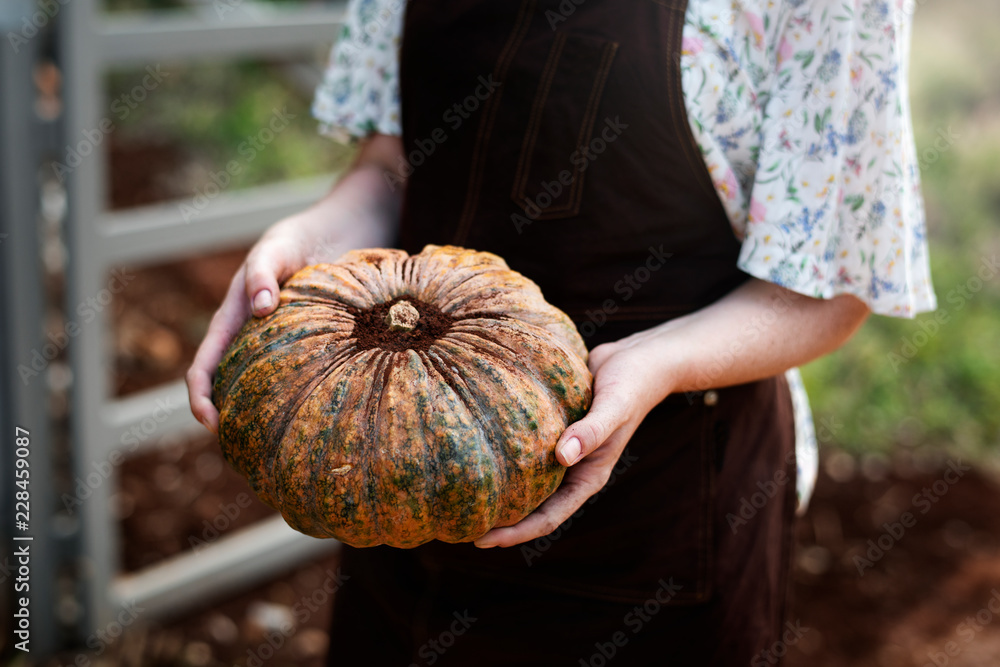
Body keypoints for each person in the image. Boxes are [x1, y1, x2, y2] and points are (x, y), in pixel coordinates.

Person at [187, 0, 936, 663]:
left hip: (655, 536)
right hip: (398, 485)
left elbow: (833, 287)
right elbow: (394, 163)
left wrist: (660, 362)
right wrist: (311, 237)